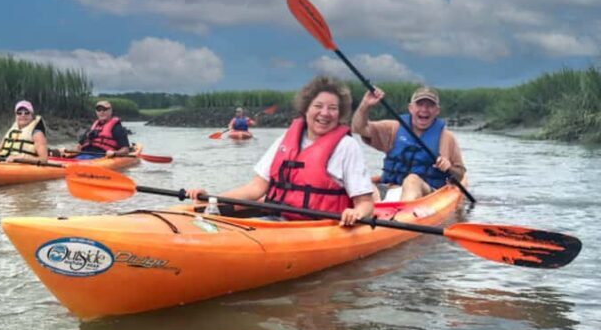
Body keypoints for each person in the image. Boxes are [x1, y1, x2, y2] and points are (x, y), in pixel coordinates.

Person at [187, 76, 374, 226]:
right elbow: (255, 188)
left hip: (321, 227)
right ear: (305, 110)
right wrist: (210, 198)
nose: (325, 113)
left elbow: (365, 203)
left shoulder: (347, 146)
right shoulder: (284, 141)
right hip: (277, 222)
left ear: (340, 114)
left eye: (332, 108)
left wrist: (356, 213)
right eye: (318, 106)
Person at [351, 86, 466, 201]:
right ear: (410, 108)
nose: (424, 109)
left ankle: (401, 216)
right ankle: (370, 213)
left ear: (437, 111)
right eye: (419, 104)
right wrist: (365, 105)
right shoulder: (393, 128)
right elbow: (359, 128)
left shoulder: (446, 137)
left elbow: (460, 175)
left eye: (430, 105)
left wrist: (449, 167)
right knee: (362, 182)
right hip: (388, 189)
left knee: (412, 180)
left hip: (426, 195)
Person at [0, 100, 48, 164]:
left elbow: (43, 160)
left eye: (27, 113)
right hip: (5, 162)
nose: (23, 115)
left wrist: (23, 158)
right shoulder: (12, 131)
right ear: (15, 116)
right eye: (19, 113)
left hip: (23, 164)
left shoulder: (37, 134)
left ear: (32, 116)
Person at [63, 100, 131, 159]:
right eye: (99, 110)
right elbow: (79, 146)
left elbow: (125, 150)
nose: (102, 112)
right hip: (83, 155)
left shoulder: (117, 128)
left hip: (102, 157)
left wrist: (114, 153)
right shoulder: (91, 128)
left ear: (110, 111)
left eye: (105, 109)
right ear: (96, 112)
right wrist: (66, 151)